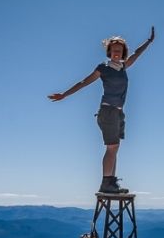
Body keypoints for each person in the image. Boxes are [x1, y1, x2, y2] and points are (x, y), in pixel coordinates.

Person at [48, 28, 155, 194]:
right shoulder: (103, 68)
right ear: (109, 52)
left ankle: (111, 182)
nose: (116, 53)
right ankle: (106, 183)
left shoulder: (123, 67)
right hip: (108, 112)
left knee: (115, 148)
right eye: (113, 51)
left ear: (123, 52)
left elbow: (136, 54)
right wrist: (64, 95)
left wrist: (148, 42)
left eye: (119, 51)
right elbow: (84, 82)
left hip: (118, 113)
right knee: (111, 147)